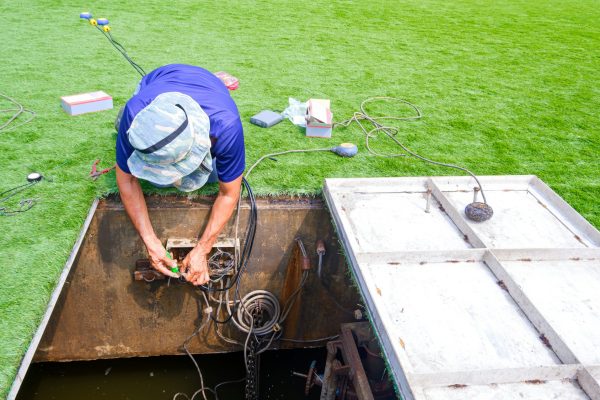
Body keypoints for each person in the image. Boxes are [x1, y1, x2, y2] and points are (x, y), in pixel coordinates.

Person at [115, 64, 245, 286]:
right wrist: (150, 241)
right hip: (160, 77)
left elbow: (229, 193)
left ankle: (214, 80)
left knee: (213, 176)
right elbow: (126, 179)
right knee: (120, 127)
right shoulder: (135, 113)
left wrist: (203, 249)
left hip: (209, 88)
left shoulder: (226, 126)